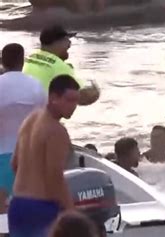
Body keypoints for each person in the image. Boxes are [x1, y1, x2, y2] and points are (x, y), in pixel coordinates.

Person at [8, 75, 79, 237]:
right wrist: (71, 212)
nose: (74, 106)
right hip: (41, 208)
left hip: (17, 205)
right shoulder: (57, 131)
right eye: (69, 100)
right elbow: (54, 177)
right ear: (53, 97)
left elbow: (15, 164)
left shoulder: (30, 120)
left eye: (76, 101)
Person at [0, 43, 47, 214]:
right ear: (22, 61)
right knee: (29, 207)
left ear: (2, 61)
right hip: (30, 155)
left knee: (2, 211)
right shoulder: (35, 85)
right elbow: (44, 119)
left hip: (2, 154)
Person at [23, 25, 99, 106]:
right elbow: (82, 98)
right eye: (66, 39)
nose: (70, 43)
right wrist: (95, 93)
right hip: (40, 114)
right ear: (57, 43)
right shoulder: (59, 67)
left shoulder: (28, 58)